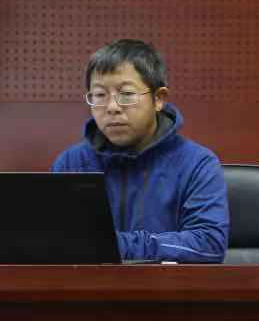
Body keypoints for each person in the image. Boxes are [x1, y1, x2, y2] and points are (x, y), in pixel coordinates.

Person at [51, 39, 229, 262]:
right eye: (100, 95)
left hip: (167, 283)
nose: (112, 108)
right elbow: (55, 243)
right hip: (89, 284)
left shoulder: (197, 164)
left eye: (126, 94)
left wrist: (115, 245)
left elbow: (209, 244)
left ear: (158, 99)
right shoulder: (71, 163)